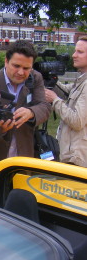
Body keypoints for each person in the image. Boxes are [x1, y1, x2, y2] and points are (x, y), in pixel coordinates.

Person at [0, 40, 51, 193]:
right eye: (16, 66)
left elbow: (44, 107)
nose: (21, 72)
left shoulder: (35, 78)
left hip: (22, 165)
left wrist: (31, 113)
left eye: (26, 68)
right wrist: (0, 128)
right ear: (6, 61)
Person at [44, 36, 87, 167]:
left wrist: (55, 100)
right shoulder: (81, 81)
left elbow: (77, 121)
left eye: (80, 52)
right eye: (75, 51)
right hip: (72, 155)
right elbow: (67, 91)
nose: (74, 55)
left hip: (77, 159)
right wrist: (50, 79)